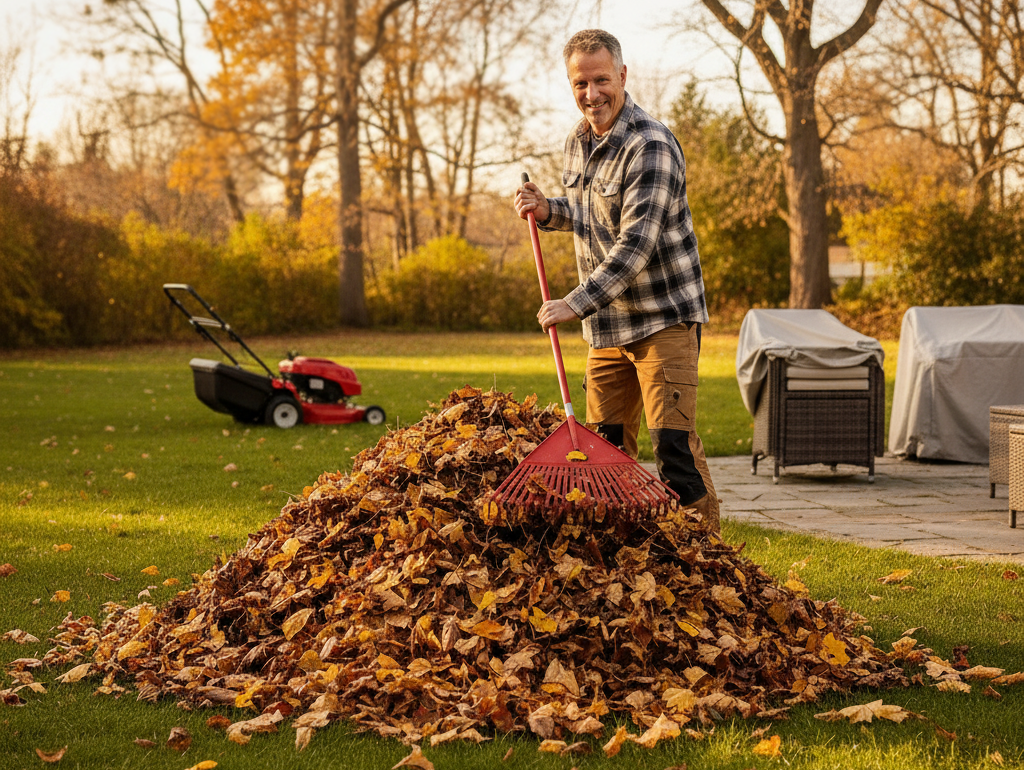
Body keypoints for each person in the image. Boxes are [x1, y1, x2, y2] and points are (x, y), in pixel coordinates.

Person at [513, 28, 719, 533]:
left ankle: (711, 571)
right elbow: (592, 213)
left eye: (601, 80)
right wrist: (548, 211)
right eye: (580, 83)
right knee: (603, 454)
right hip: (608, 330)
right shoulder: (577, 142)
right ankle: (623, 569)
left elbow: (634, 247)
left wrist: (574, 303)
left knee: (674, 453)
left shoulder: (650, 144)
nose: (591, 93)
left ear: (622, 76)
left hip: (662, 320)